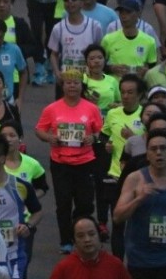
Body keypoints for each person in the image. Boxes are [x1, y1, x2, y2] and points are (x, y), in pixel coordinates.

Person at [113, 129, 166, 279]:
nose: (158, 152)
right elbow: (117, 217)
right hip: (140, 259)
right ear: (147, 155)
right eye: (153, 149)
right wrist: (139, 199)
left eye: (163, 148)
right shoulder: (135, 179)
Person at [34, 68, 104, 253]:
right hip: (60, 163)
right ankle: (66, 241)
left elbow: (101, 131)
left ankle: (82, 234)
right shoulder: (52, 109)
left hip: (86, 162)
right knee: (63, 203)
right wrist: (49, 138)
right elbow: (39, 130)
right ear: (62, 86)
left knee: (85, 204)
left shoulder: (92, 108)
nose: (72, 86)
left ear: (82, 86)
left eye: (76, 83)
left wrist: (93, 138)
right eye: (68, 83)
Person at [0, 132, 44, 279]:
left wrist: (28, 226)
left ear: (2, 158)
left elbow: (38, 212)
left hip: (13, 255)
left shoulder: (21, 186)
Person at [49, 216, 131, 279]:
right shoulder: (64, 267)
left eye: (91, 234)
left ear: (99, 236)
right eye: (80, 236)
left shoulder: (115, 265)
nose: (87, 240)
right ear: (74, 241)